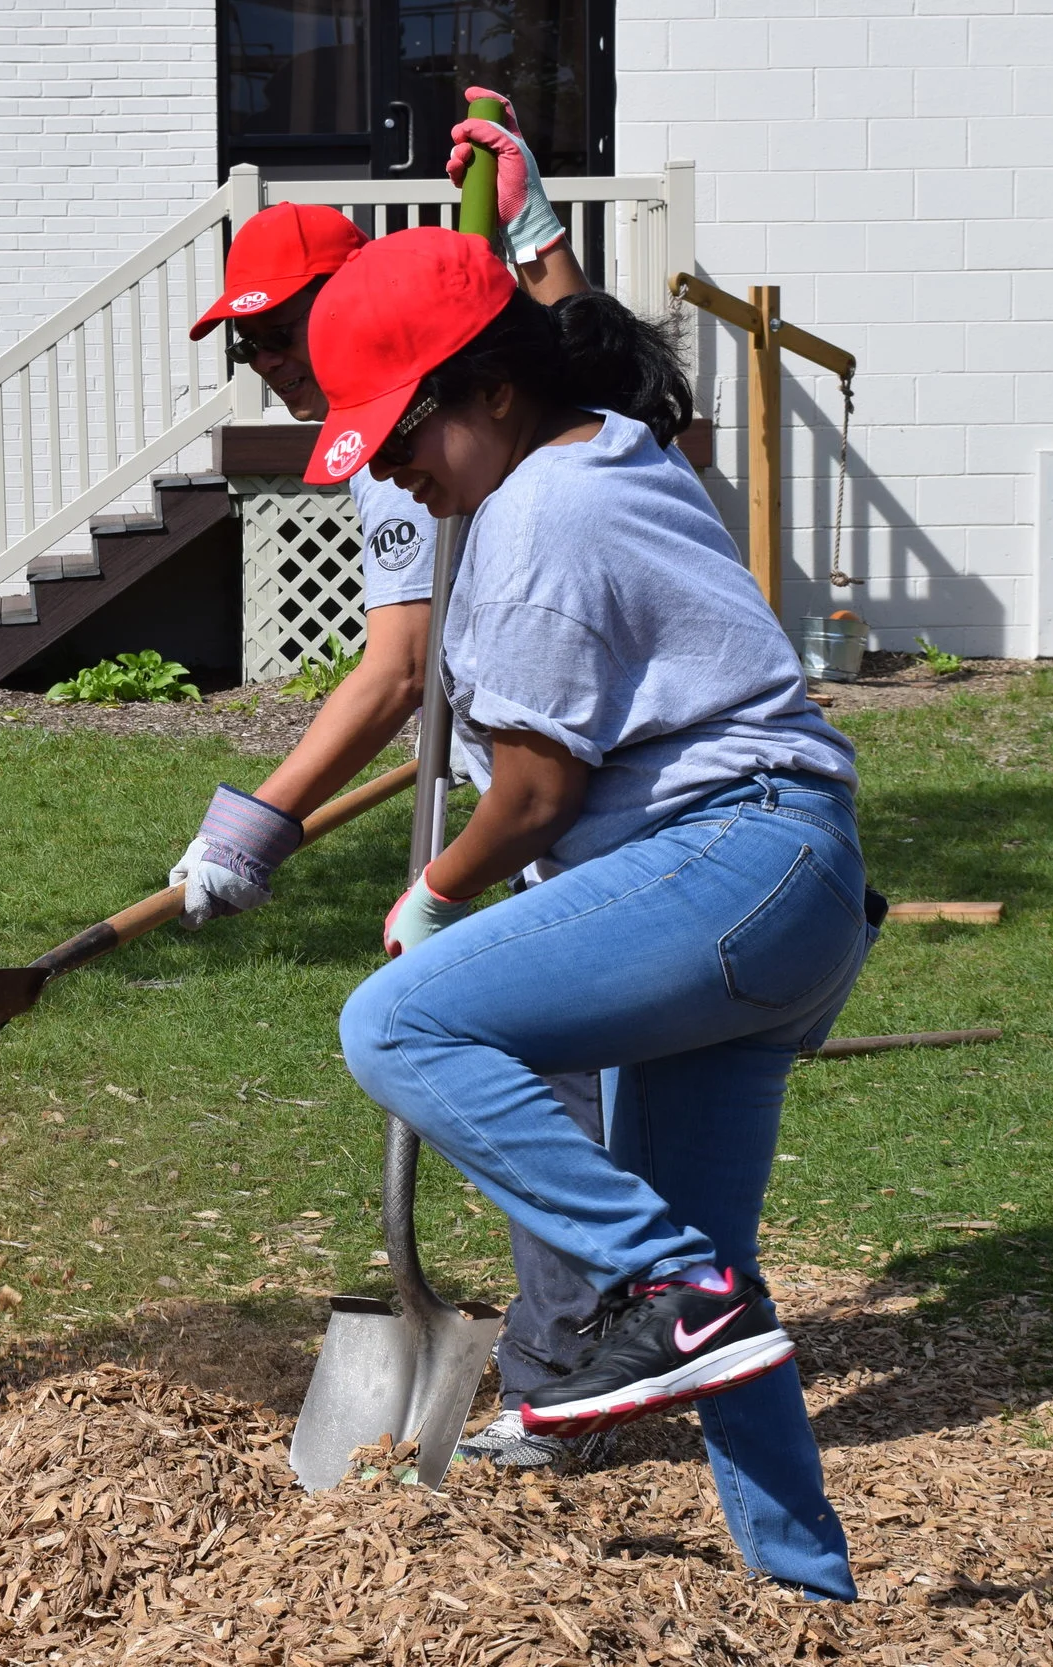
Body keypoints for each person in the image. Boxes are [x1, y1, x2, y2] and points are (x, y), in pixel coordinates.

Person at [307, 226, 875, 1600]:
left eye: (405, 431)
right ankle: (807, 1591)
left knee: (392, 1024)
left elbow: (542, 790)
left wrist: (435, 895)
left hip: (730, 862)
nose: (392, 466)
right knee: (719, 1308)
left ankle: (651, 1287)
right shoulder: (612, 450)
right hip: (787, 892)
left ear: (494, 392)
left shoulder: (544, 512)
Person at [172, 93, 608, 1469]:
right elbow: (580, 378)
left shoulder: (408, 427)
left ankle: (576, 1368)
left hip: (567, 792)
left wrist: (260, 820)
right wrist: (541, 252)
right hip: (547, 785)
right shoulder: (415, 422)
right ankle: (598, 1352)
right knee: (571, 1070)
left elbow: (397, 666)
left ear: (343, 298)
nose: (265, 366)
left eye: (272, 330)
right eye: (244, 343)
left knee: (534, 1068)